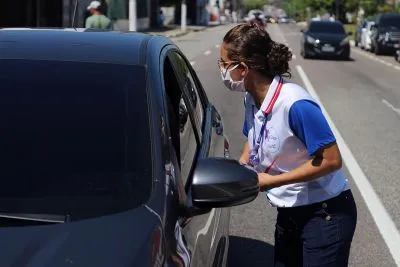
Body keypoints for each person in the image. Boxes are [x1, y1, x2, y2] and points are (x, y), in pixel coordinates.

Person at [218, 23, 357, 267]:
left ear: (243, 68)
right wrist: (242, 166)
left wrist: (270, 181)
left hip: (325, 214)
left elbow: (331, 160)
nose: (221, 70)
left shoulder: (295, 104)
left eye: (223, 64)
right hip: (290, 211)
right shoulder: (251, 97)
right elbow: (253, 138)